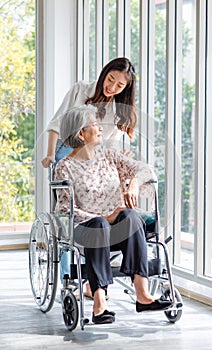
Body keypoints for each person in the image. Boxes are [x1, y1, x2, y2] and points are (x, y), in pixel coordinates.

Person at [54, 105, 172, 325]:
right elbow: (64, 209)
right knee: (99, 223)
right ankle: (99, 304)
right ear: (81, 133)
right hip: (87, 228)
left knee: (131, 216)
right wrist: (105, 218)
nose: (101, 129)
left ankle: (143, 295)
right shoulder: (64, 167)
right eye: (95, 125)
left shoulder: (109, 156)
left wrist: (134, 184)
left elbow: (146, 169)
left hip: (119, 227)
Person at [41, 57, 138, 293]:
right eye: (110, 79)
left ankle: (92, 279)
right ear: (104, 73)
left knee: (97, 210)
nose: (112, 87)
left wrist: (119, 158)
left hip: (93, 156)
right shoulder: (81, 89)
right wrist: (51, 154)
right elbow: (56, 122)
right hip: (66, 147)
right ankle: (69, 277)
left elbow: (106, 147)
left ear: (125, 89)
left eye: (119, 86)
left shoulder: (116, 112)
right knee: (69, 213)